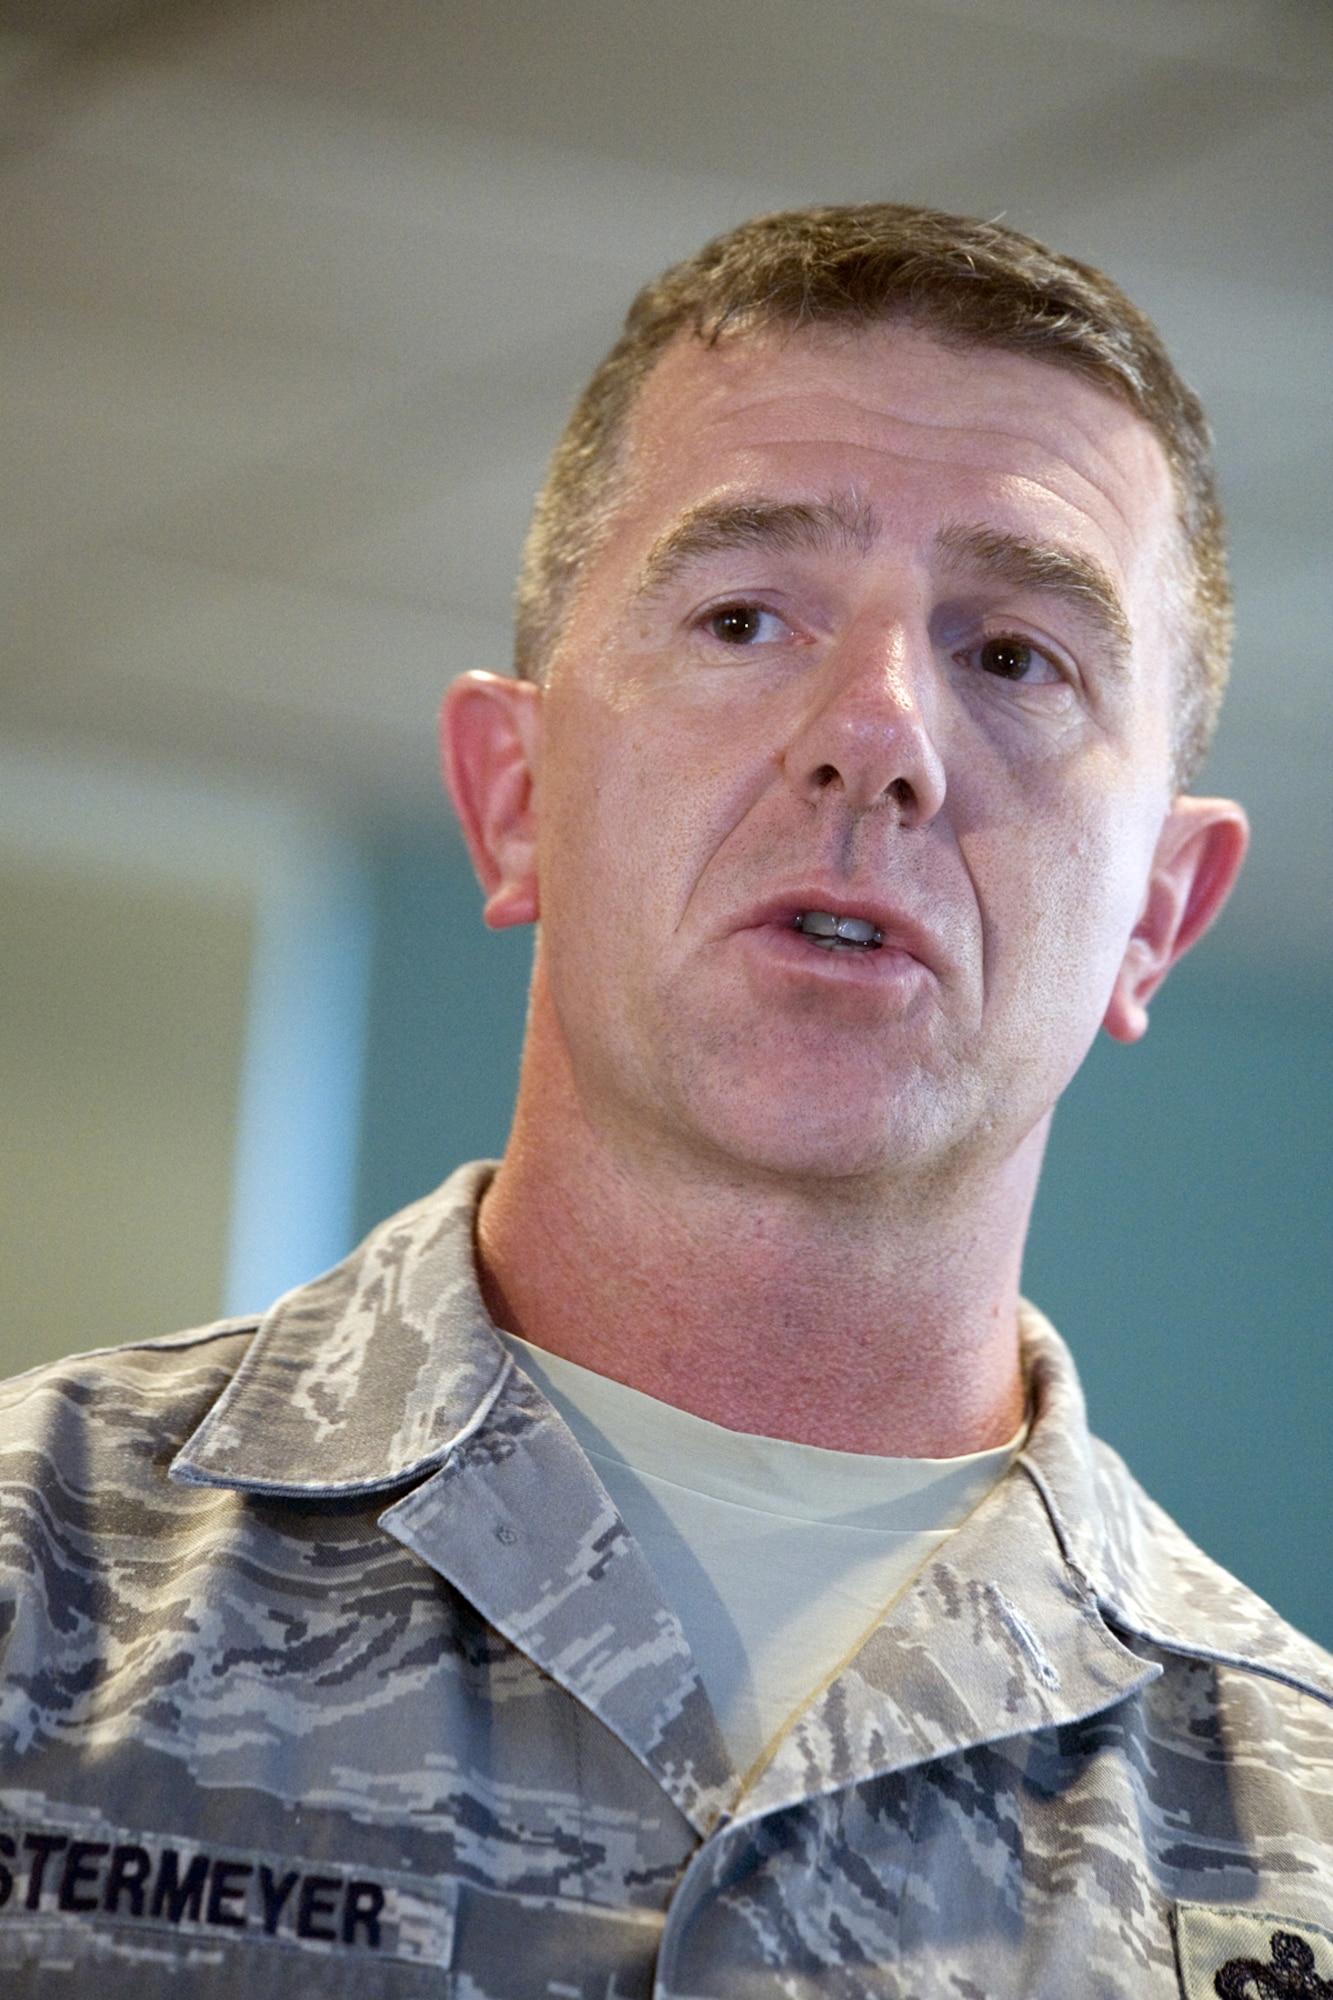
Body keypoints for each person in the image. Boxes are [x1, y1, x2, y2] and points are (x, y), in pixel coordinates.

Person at [0, 204, 1329, 2000]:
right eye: (744, 615)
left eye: (1013, 654)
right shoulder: (38, 1587)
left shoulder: (1296, 1836)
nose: (877, 736)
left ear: (1157, 914)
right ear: (514, 795)